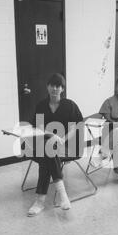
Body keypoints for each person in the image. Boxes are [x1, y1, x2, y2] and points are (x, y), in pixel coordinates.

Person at [27, 73, 84, 217]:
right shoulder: (41, 105)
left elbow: (74, 128)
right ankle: (62, 195)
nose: (55, 89)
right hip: (46, 145)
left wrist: (61, 140)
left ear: (62, 89)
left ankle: (40, 201)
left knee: (47, 154)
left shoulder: (70, 105)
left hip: (67, 146)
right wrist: (52, 136)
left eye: (58, 86)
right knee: (48, 149)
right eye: (52, 85)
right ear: (47, 87)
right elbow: (38, 128)